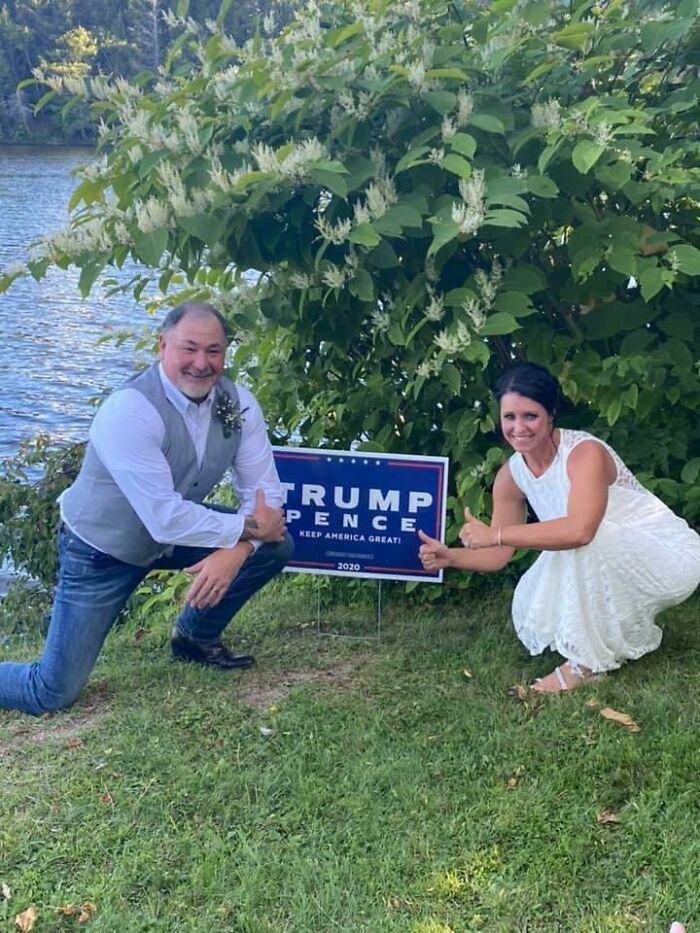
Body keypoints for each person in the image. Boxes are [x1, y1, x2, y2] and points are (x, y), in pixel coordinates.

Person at [0, 301, 294, 716]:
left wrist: (239, 549)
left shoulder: (239, 403)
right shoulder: (130, 410)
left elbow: (266, 499)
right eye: (189, 348)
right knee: (50, 691)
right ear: (162, 345)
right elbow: (165, 519)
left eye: (213, 351)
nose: (202, 363)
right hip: (102, 550)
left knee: (276, 546)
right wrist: (248, 530)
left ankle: (193, 638)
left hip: (173, 535)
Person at [418, 362, 700, 692]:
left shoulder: (584, 453)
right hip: (604, 554)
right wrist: (450, 557)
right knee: (567, 552)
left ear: (550, 414)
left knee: (583, 540)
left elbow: (581, 531)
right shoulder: (510, 476)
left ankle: (586, 665)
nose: (518, 428)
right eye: (509, 417)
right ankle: (598, 642)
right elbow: (498, 555)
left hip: (668, 556)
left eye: (530, 416)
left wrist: (494, 533)